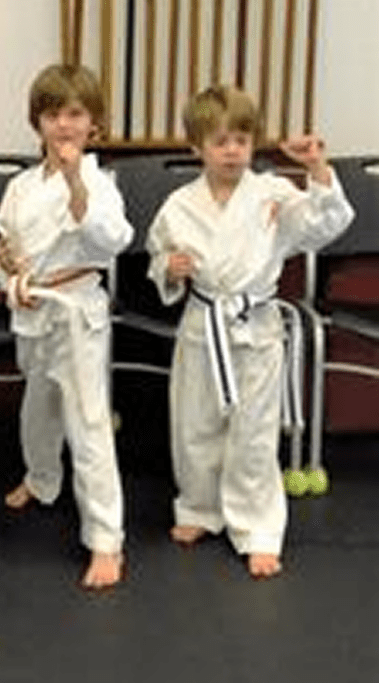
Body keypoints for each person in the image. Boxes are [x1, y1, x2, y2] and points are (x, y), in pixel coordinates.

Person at [146, 85, 354, 578]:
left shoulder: (273, 195)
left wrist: (317, 170)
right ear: (196, 147)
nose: (233, 150)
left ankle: (257, 528)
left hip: (256, 329)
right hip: (202, 326)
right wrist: (168, 268)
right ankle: (198, 508)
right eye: (220, 141)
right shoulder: (179, 204)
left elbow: (327, 221)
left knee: (254, 434)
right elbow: (158, 256)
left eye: (241, 139)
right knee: (195, 424)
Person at [0, 64, 132, 589]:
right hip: (31, 308)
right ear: (38, 122)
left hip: (76, 312)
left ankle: (105, 540)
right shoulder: (22, 185)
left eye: (75, 113)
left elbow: (111, 240)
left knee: (88, 423)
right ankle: (42, 478)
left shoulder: (98, 182)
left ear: (93, 122)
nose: (64, 124)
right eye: (53, 114)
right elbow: (8, 240)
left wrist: (75, 180)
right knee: (38, 406)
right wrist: (8, 264)